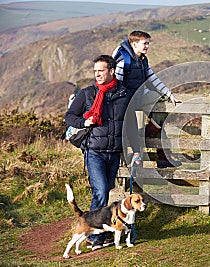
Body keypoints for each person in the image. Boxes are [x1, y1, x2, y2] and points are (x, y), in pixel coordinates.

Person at [65, 55, 139, 250]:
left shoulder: (125, 94)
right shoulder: (87, 93)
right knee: (100, 190)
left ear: (112, 71)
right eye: (95, 71)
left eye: (101, 71)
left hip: (114, 152)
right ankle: (94, 238)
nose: (97, 74)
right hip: (94, 151)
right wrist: (84, 122)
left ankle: (101, 232)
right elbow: (69, 116)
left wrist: (137, 150)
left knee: (105, 190)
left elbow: (131, 123)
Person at [112, 30, 182, 168]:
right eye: (144, 43)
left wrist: (169, 94)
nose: (147, 47)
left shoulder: (142, 60)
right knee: (127, 129)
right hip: (127, 100)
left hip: (141, 95)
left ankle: (150, 132)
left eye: (148, 43)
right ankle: (150, 151)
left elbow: (153, 78)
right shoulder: (122, 63)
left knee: (162, 103)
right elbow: (116, 85)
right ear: (134, 44)